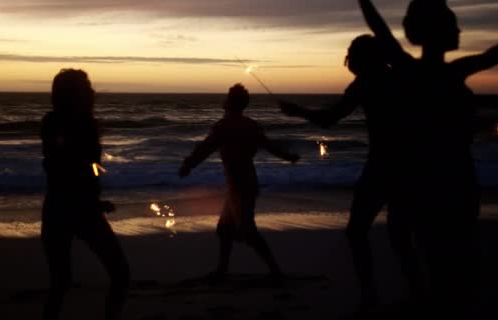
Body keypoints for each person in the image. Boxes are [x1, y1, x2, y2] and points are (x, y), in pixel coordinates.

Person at [357, 0, 498, 315]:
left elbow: (380, 30)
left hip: (431, 182)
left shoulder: (411, 69)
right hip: (451, 182)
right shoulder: (452, 71)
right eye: (453, 24)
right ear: (435, 32)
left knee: (444, 264)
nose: (459, 29)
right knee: (454, 268)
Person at [279, 35, 421, 309]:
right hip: (411, 165)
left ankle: (370, 296)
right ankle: (417, 293)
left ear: (363, 58)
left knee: (357, 232)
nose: (348, 60)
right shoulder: (399, 79)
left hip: (382, 166)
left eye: (351, 54)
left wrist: (297, 111)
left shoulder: (365, 83)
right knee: (400, 235)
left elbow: (329, 119)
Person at [179, 83, 299, 280]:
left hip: (240, 187)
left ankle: (276, 272)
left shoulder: (223, 127)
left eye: (227, 97)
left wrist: (188, 166)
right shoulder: (251, 125)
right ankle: (223, 270)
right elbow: (270, 147)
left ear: (229, 102)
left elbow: (204, 149)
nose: (224, 100)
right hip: (246, 183)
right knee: (224, 229)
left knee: (249, 232)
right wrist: (288, 157)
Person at [40, 69, 129, 320]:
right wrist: (92, 202)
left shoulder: (56, 122)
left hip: (62, 207)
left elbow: (77, 169)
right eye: (86, 87)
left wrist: (95, 200)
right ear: (72, 94)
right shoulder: (67, 124)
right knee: (119, 273)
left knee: (61, 283)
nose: (92, 91)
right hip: (77, 210)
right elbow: (68, 167)